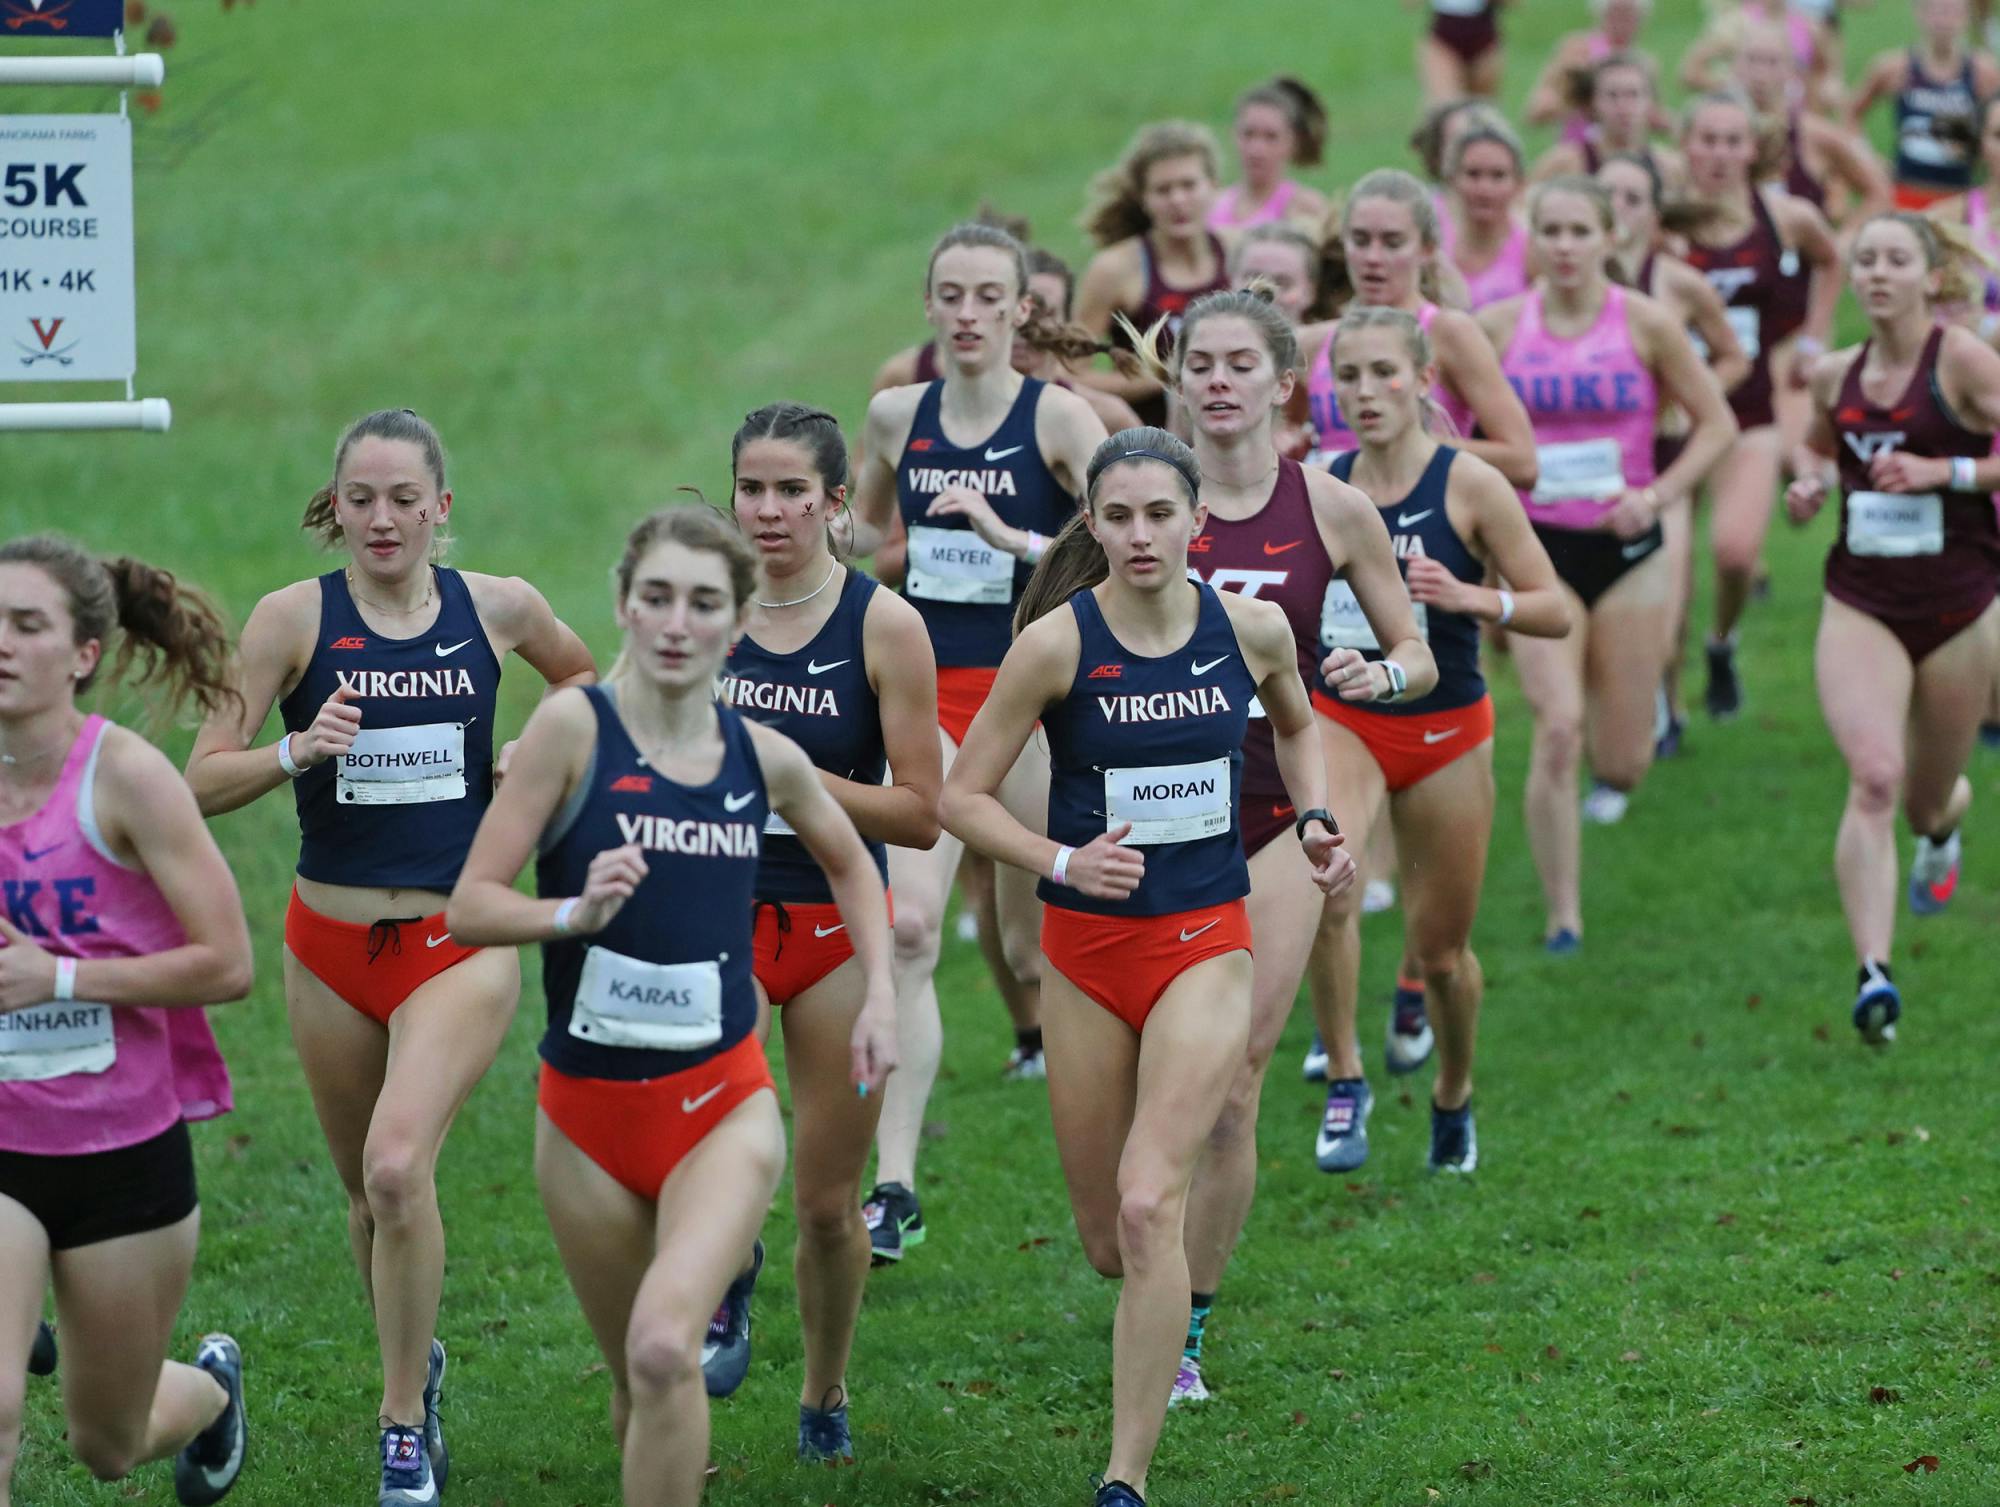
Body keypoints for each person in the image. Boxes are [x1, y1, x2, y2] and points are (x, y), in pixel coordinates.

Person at [184, 408, 596, 1505]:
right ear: (337, 506)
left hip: (456, 938)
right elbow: (199, 777)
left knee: (397, 1166)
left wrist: (534, 750)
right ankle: (420, 1359)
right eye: (361, 498)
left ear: (439, 509)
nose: (381, 518)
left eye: (403, 499)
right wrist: (292, 748)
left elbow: (582, 682)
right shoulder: (291, 622)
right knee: (366, 1204)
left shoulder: (494, 608)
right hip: (325, 947)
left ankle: (401, 1420)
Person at [939, 426, 1355, 1507]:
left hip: (1203, 942)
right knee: (1104, 1240)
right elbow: (961, 797)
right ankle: (1153, 1318)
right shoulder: (1056, 646)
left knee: (1143, 1202)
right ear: (1090, 523)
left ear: (1194, 523)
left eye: (1158, 514)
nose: (1138, 534)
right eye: (1116, 516)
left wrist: (1312, 815)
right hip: (1083, 957)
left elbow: (1300, 728)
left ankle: (1124, 1476)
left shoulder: (1249, 628)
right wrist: (1059, 858)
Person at [445, 506, 893, 1501]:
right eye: (656, 598)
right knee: (635, 1381)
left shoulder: (761, 755)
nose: (676, 623)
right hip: (585, 1114)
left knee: (661, 1348)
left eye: (702, 604)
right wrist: (575, 909)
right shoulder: (571, 731)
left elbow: (852, 864)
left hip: (720, 1102)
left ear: (736, 626)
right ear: (622, 606)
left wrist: (883, 1001)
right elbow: (470, 907)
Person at [1127, 288, 1436, 1404]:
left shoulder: (1330, 507)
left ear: (1277, 382)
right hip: (1141, 813)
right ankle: (1141, 1260)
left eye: (1235, 364)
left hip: (1269, 812)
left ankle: (1188, 1329)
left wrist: (1377, 675)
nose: (1214, 380)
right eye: (1196, 362)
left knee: (1237, 1077)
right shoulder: (1134, 499)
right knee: (1139, 1096)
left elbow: (1417, 650)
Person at [848, 223, 1108, 1263]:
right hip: (929, 703)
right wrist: (841, 546)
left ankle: (1120, 1095)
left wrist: (1015, 544)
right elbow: (866, 532)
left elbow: (1132, 541)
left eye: (985, 296)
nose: (965, 313)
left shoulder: (1059, 418)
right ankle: (895, 1185)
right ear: (927, 305)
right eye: (947, 294)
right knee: (910, 931)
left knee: (1026, 945)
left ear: (1017, 311)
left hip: (1034, 696)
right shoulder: (892, 416)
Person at [0, 536, 252, 1507]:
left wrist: (58, 975)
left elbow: (227, 963)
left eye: (28, 625)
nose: (5, 644)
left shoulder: (129, 779)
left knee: (109, 1440)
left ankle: (213, 1392)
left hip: (121, 1151)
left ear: (83, 655)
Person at [702, 404, 938, 1429]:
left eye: (791, 491)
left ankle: (823, 1389)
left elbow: (921, 814)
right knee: (713, 1141)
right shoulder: (697, 612)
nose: (767, 510)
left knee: (829, 1204)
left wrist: (787, 775)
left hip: (837, 926)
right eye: (749, 489)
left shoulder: (881, 625)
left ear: (835, 503)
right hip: (716, 909)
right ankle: (726, 1267)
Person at [1306, 309, 1570, 1175]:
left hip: (1447, 728)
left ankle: (1454, 1090)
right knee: (1329, 882)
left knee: (1443, 953)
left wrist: (1470, 599)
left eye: (1384, 373)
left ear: (1424, 381)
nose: (1365, 392)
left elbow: (1553, 607)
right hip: (1345, 718)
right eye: (1348, 376)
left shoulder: (1468, 486)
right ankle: (1346, 1075)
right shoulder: (1318, 484)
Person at [1480, 176, 1737, 949]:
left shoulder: (1647, 323)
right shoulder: (1495, 328)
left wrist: (1657, 497)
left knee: (1621, 759)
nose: (1562, 246)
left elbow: (1718, 423)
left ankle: (1622, 745)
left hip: (1628, 546)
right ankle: (1564, 912)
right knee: (1557, 728)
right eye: (1549, 231)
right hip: (1535, 546)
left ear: (1608, 240)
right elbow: (1450, 435)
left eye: (1578, 231)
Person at [1783, 212, 2000, 1042]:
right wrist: (1805, 489)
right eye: (1864, 259)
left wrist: (1942, 470)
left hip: (1959, 607)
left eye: (1894, 260)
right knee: (1873, 777)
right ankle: (1875, 972)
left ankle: (1944, 825)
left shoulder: (1964, 361)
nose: (1875, 273)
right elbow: (1812, 452)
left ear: (1930, 275)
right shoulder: (1836, 375)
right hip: (1861, 600)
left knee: (1922, 801)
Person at [1676, 91, 1840, 721]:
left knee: (1737, 553)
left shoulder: (1783, 216)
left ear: (1753, 148)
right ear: (1686, 144)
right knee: (1669, 579)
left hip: (1750, 409)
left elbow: (1830, 259)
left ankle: (1720, 643)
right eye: (1707, 139)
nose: (1718, 154)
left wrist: (1815, 337)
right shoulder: (1663, 221)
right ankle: (1666, 710)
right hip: (1672, 418)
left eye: (1731, 140)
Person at [1597, 150, 1754, 756]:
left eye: (1633, 198)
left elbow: (1734, 354)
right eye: (1608, 197)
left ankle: (1669, 700)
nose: (1619, 211)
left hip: (1666, 457)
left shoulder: (1679, 282)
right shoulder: (1563, 282)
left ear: (1656, 212)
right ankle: (1624, 714)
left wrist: (1695, 401)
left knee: (1672, 593)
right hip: (1592, 462)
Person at [1298, 167, 1539, 487]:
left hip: (1423, 524)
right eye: (1360, 240)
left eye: (1392, 243)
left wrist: (1417, 449)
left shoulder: (1449, 333)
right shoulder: (1311, 343)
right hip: (1333, 526)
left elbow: (1522, 462)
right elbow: (1283, 447)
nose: (1373, 257)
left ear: (1426, 249)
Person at [1076, 122, 1234, 426]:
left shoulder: (1240, 254)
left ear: (1214, 186)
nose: (1177, 200)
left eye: (1188, 185)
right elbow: (1069, 374)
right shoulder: (1114, 270)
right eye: (1163, 190)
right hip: (1150, 449)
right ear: (1142, 197)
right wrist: (1161, 376)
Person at [1848, 0, 2000, 209]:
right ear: (1920, 13)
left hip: (1959, 194)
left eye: (1953, 11)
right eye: (1937, 10)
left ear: (1966, 17)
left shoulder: (1982, 72)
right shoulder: (1896, 67)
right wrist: (1868, 160)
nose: (1945, 20)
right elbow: (1852, 113)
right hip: (1907, 192)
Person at [1531, 51, 1685, 189]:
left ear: (1650, 102)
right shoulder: (1564, 163)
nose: (1623, 106)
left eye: (1633, 94)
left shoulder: (1668, 168)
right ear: (1593, 102)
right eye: (1612, 95)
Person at [1526, 0, 1660, 146]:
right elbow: (1537, 111)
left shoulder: (1643, 63)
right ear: (1600, 14)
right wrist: (1582, 96)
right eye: (1616, 12)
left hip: (1622, 155)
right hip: (1580, 149)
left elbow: (1651, 115)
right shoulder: (1578, 51)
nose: (1622, 22)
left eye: (1629, 14)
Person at [1208, 77, 1331, 234]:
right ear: (1233, 135)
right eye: (1248, 134)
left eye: (1271, 137)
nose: (1256, 149)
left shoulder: (1306, 208)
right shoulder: (1211, 205)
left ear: (1293, 142)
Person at [1438, 110, 1534, 310]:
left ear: (1519, 184)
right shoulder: (1434, 247)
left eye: (1498, 176)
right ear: (1452, 179)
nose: (1484, 190)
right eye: (1473, 174)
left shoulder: (1532, 251)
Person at [1411, 0, 1507, 106]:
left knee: (1482, 107)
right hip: (1444, 37)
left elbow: (1512, 4)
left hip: (1484, 34)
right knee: (1445, 106)